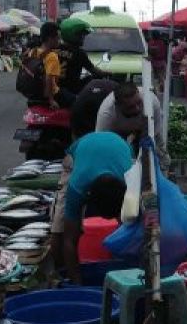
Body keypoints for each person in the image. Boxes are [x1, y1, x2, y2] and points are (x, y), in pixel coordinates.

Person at [57, 131, 132, 284]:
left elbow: (133, 230)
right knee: (59, 229)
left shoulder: (131, 181)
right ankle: (62, 274)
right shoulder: (77, 186)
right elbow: (69, 240)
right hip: (79, 148)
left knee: (130, 223)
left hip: (120, 143)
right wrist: (77, 284)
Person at [96, 80, 167, 157]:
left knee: (160, 156)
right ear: (118, 106)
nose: (137, 108)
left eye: (139, 102)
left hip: (145, 128)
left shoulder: (151, 101)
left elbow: (154, 136)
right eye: (131, 107)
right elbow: (101, 147)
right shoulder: (106, 115)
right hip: (117, 133)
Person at [57, 16, 103, 103]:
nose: (83, 38)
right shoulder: (79, 53)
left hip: (55, 89)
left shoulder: (55, 49)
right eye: (81, 35)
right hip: (71, 90)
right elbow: (94, 71)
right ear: (74, 35)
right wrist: (109, 73)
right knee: (91, 79)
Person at [18, 21, 63, 108]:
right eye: (58, 37)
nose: (59, 40)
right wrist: (51, 100)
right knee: (75, 101)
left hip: (35, 92)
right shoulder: (52, 56)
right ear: (50, 38)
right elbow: (49, 78)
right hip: (49, 94)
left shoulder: (33, 51)